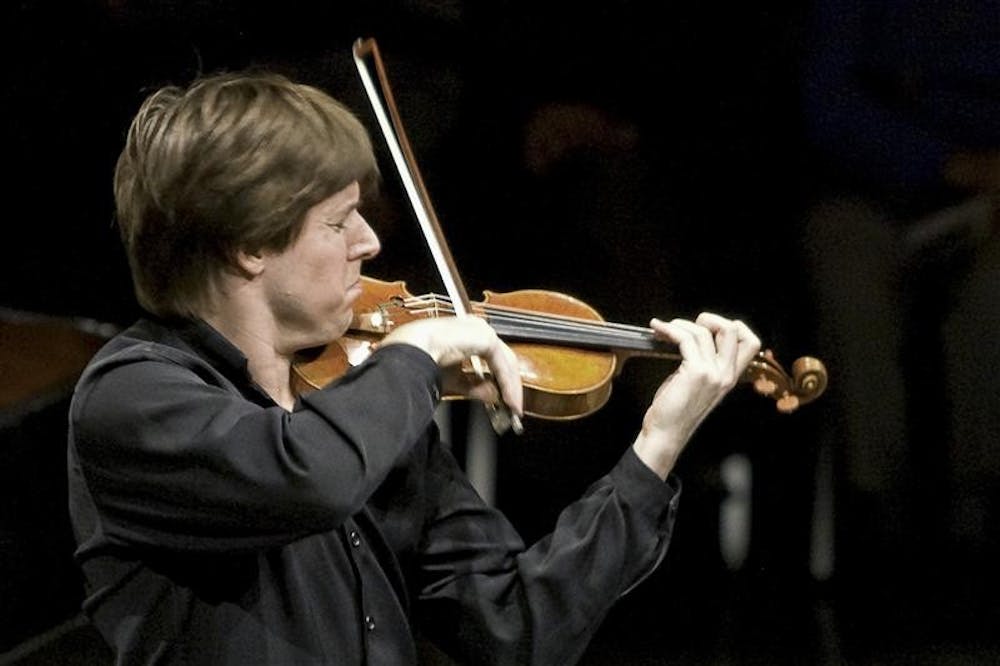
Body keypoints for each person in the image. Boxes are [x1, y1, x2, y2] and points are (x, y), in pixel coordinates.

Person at [67, 69, 761, 665]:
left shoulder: (365, 402)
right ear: (249, 244)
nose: (370, 242)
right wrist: (416, 357)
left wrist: (656, 447)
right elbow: (304, 476)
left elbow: (516, 630)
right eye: (338, 223)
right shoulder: (133, 397)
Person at [799, 0, 1000, 642]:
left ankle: (977, 529)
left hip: (991, 202)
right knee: (847, 273)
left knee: (992, 297)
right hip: (872, 194)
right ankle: (877, 522)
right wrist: (937, 161)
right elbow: (826, 101)